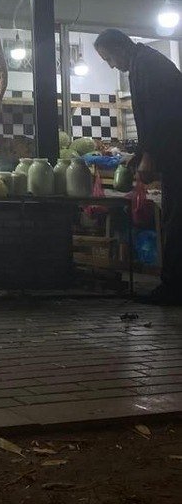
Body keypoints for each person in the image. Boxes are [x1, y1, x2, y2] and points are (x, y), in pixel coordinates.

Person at [95, 28, 182, 303]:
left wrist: (150, 154)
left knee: (176, 219)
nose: (111, 65)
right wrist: (141, 153)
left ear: (120, 48)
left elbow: (161, 115)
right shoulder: (142, 63)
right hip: (172, 151)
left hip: (176, 152)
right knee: (173, 217)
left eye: (109, 58)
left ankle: (173, 289)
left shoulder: (148, 65)